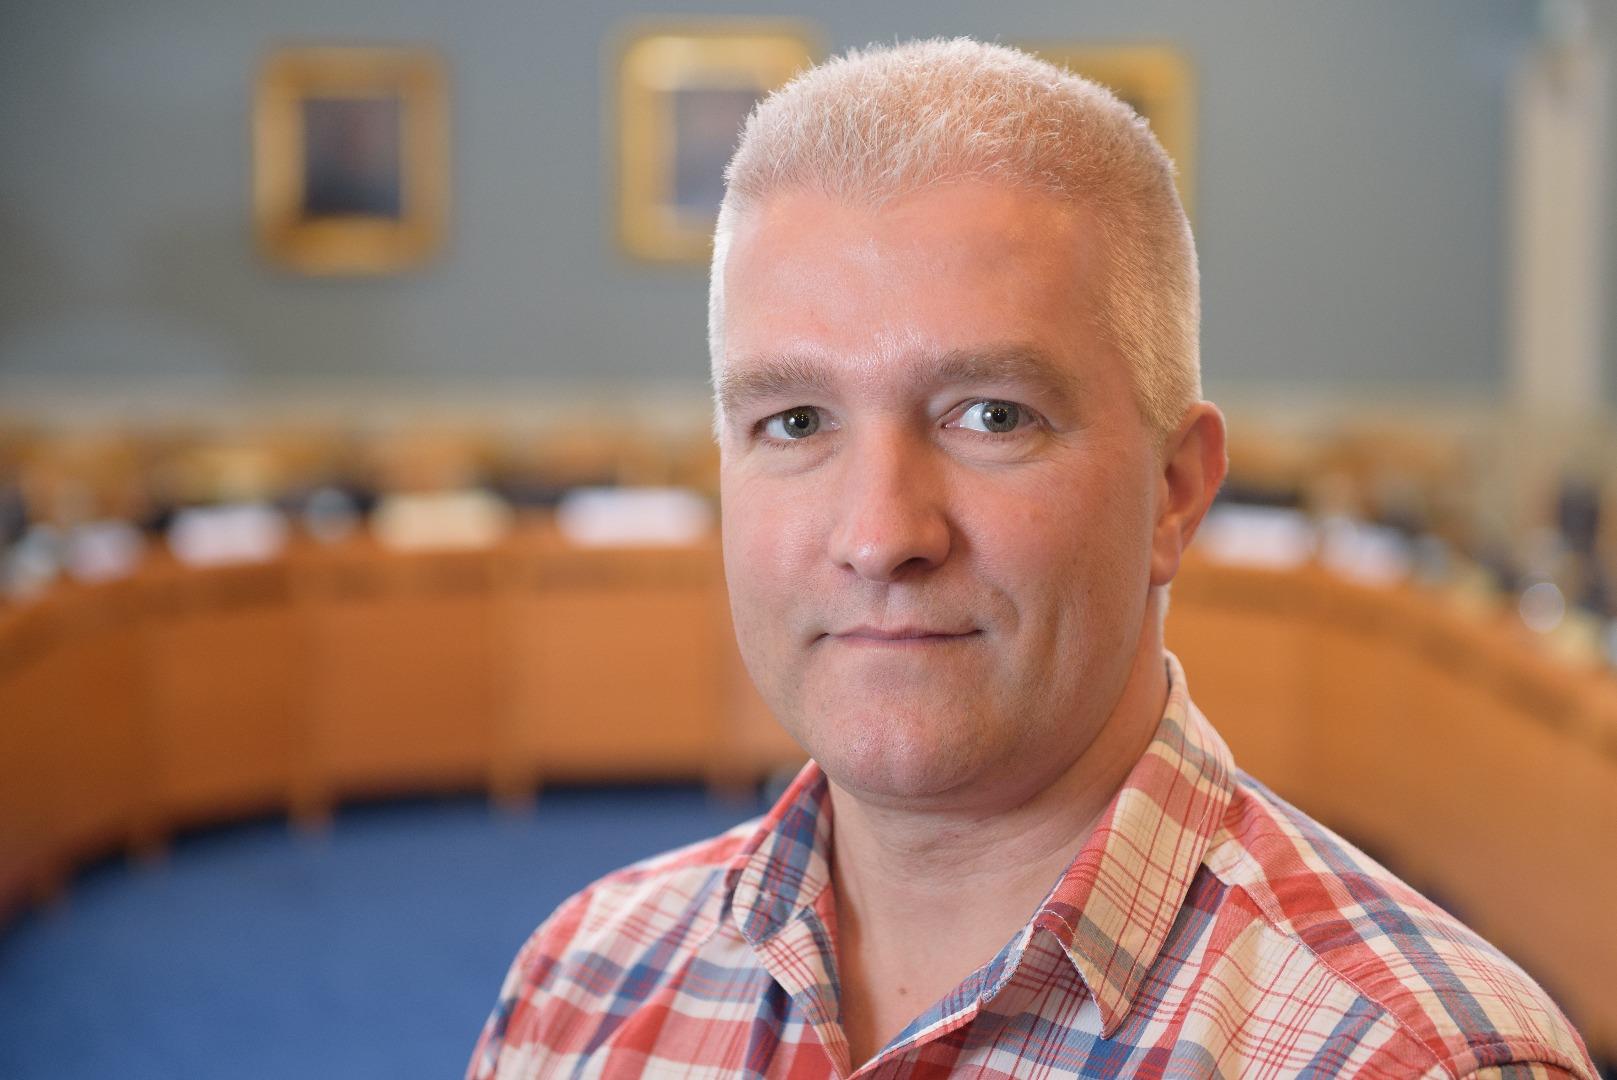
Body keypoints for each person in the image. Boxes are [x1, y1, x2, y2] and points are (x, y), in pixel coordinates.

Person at [470, 38, 1596, 1078]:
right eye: (796, 422)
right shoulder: (576, 990)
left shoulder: (1423, 1059)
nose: (880, 536)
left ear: (1175, 492)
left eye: (991, 416)